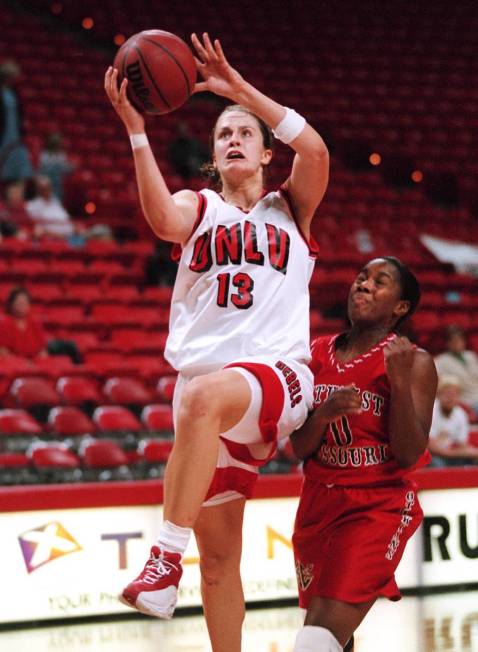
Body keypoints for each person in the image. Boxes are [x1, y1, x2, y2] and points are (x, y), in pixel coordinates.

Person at [104, 32, 329, 652]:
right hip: (212, 407)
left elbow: (314, 149)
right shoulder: (198, 207)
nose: (233, 139)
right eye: (223, 134)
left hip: (279, 379)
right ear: (213, 155)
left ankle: (160, 561)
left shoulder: (292, 210)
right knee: (221, 559)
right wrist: (137, 132)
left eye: (245, 134)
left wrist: (238, 92)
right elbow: (161, 221)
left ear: (263, 155)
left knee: (200, 397)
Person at [290, 256, 437, 652]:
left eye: (380, 281)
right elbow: (299, 447)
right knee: (336, 638)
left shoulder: (415, 362)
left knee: (315, 640)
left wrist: (400, 383)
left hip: (376, 507)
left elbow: (408, 454)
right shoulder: (315, 354)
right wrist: (324, 414)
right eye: (362, 277)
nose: (365, 285)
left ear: (400, 307)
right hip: (317, 506)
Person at [0, 287, 81, 364]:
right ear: (11, 304)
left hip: (35, 365)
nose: (22, 305)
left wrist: (36, 363)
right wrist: (24, 363)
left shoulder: (34, 323)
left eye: (25, 302)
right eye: (19, 302)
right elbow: (3, 354)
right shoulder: (4, 323)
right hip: (14, 366)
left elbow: (43, 351)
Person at [428, 376, 478, 467]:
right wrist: (458, 453)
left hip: (450, 453)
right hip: (432, 455)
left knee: (470, 462)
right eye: (447, 394)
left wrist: (472, 452)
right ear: (438, 395)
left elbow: (462, 444)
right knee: (437, 464)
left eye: (454, 395)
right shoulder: (430, 411)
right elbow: (431, 447)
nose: (450, 398)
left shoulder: (461, 414)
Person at [0, 60, 32, 186]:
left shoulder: (14, 92)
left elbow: (19, 114)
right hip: (2, 135)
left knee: (19, 169)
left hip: (15, 134)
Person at [434, 325, 478, 416]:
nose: (458, 343)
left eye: (461, 340)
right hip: (465, 401)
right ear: (448, 343)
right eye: (454, 340)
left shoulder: (471, 356)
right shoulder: (441, 361)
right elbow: (440, 387)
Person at [38, 132, 74, 201]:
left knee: (57, 200)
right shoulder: (44, 155)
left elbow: (64, 169)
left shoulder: (62, 155)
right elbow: (42, 170)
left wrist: (71, 167)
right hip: (47, 183)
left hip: (57, 184)